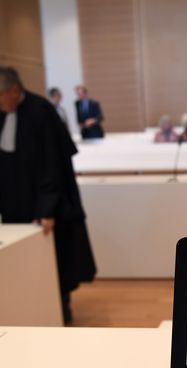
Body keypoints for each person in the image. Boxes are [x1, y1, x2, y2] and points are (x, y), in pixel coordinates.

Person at [0, 66, 96, 324]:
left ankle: (59, 311)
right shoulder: (4, 113)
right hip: (15, 203)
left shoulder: (41, 112)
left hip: (48, 205)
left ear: (14, 90)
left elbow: (53, 166)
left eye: (0, 96)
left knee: (56, 262)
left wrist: (46, 208)